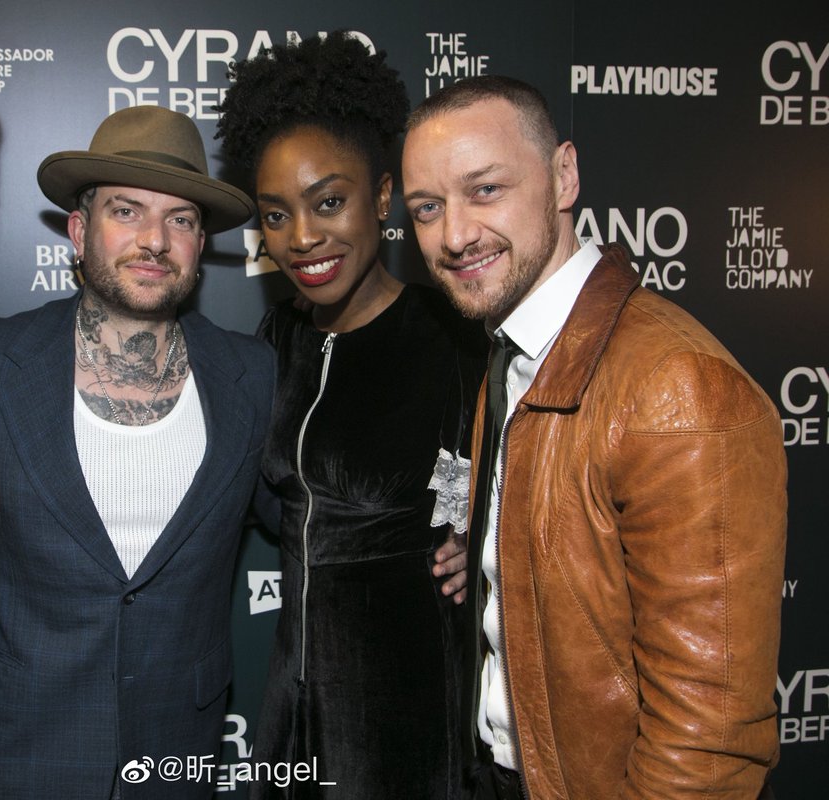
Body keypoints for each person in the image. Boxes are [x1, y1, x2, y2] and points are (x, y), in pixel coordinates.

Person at [401, 75, 787, 799]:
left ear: (564, 175)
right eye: (427, 207)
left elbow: (707, 747)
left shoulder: (677, 386)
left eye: (485, 190)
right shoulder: (510, 357)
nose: (453, 235)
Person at [0, 105, 274, 800]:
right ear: (80, 232)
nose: (155, 240)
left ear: (200, 245)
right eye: (127, 211)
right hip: (23, 754)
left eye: (182, 220)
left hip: (178, 754)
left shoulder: (251, 375)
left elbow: (311, 517)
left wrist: (436, 529)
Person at [215, 32, 485, 798]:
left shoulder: (450, 339)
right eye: (276, 215)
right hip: (291, 695)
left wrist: (476, 538)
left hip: (399, 703)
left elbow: (476, 474)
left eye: (328, 202)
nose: (302, 238)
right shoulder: (278, 341)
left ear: (384, 197)